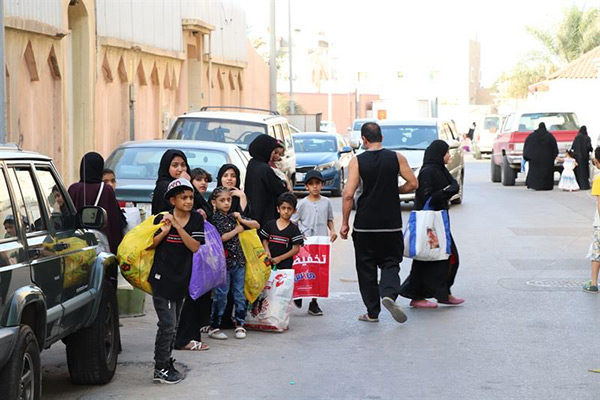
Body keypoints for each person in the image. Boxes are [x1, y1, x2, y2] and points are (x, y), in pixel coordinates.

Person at [340, 122, 417, 324]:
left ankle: (372, 312)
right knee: (391, 262)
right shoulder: (397, 158)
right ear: (381, 137)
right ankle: (389, 294)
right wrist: (395, 190)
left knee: (366, 268)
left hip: (364, 226)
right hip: (391, 224)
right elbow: (413, 183)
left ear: (364, 139)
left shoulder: (357, 161)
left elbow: (348, 195)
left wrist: (345, 223)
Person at [148, 178, 204, 384]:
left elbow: (194, 246)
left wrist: (177, 226)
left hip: (181, 279)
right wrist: (164, 231)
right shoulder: (161, 218)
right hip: (162, 278)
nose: (188, 201)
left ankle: (166, 362)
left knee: (174, 325)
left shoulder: (196, 219)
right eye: (183, 198)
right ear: (173, 200)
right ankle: (160, 367)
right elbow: (150, 244)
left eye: (191, 197)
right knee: (167, 324)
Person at [399, 140, 465, 308]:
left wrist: (449, 190)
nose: (449, 156)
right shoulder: (428, 172)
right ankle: (417, 296)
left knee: (446, 257)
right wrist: (447, 191)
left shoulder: (440, 169)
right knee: (429, 259)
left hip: (440, 222)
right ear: (438, 154)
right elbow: (428, 197)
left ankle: (443, 293)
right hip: (430, 225)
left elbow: (454, 186)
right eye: (446, 153)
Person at [207, 187, 260, 340]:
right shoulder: (214, 219)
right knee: (221, 295)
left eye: (228, 200)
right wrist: (237, 230)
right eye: (222, 200)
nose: (226, 203)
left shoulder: (233, 216)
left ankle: (240, 323)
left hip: (239, 261)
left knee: (239, 294)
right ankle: (214, 325)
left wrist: (241, 220)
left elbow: (256, 225)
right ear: (214, 202)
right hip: (223, 264)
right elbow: (221, 238)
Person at [291, 170, 337, 316]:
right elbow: (294, 221)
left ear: (322, 184)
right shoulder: (302, 203)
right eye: (311, 184)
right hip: (306, 242)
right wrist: (298, 235)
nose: (315, 186)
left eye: (317, 183)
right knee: (303, 267)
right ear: (306, 186)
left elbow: (329, 219)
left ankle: (314, 301)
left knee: (318, 270)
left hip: (321, 241)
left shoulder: (327, 202)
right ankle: (299, 293)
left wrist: (332, 230)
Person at [68, 152, 124, 256]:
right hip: (101, 248)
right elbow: (115, 222)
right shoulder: (106, 190)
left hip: (76, 247)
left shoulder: (73, 189)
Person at [245, 135, 288, 226]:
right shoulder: (265, 169)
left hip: (253, 214)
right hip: (266, 217)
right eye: (272, 151)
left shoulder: (252, 163)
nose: (273, 154)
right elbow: (281, 190)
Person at [260, 193, 304, 270]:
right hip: (268, 264)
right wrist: (267, 251)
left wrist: (280, 258)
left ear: (294, 211)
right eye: (283, 208)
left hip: (285, 267)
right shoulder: (270, 225)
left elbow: (296, 249)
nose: (286, 211)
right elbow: (264, 239)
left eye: (289, 208)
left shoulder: (294, 229)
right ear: (278, 209)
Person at [523, 122, 559, 191]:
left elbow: (527, 148)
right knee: (547, 173)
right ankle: (546, 186)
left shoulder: (532, 136)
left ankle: (535, 185)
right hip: (547, 160)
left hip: (535, 160)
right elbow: (554, 148)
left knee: (535, 173)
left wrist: (528, 157)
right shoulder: (550, 136)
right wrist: (553, 156)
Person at [584, 147, 600, 293]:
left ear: (596, 161)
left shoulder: (598, 180)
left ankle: (594, 283)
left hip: (599, 225)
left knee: (596, 253)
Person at [572, 126, 593, 190]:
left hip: (577, 157)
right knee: (584, 172)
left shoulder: (576, 137)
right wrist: (591, 149)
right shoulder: (587, 138)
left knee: (578, 172)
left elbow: (573, 147)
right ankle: (585, 186)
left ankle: (579, 185)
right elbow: (589, 147)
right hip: (584, 158)